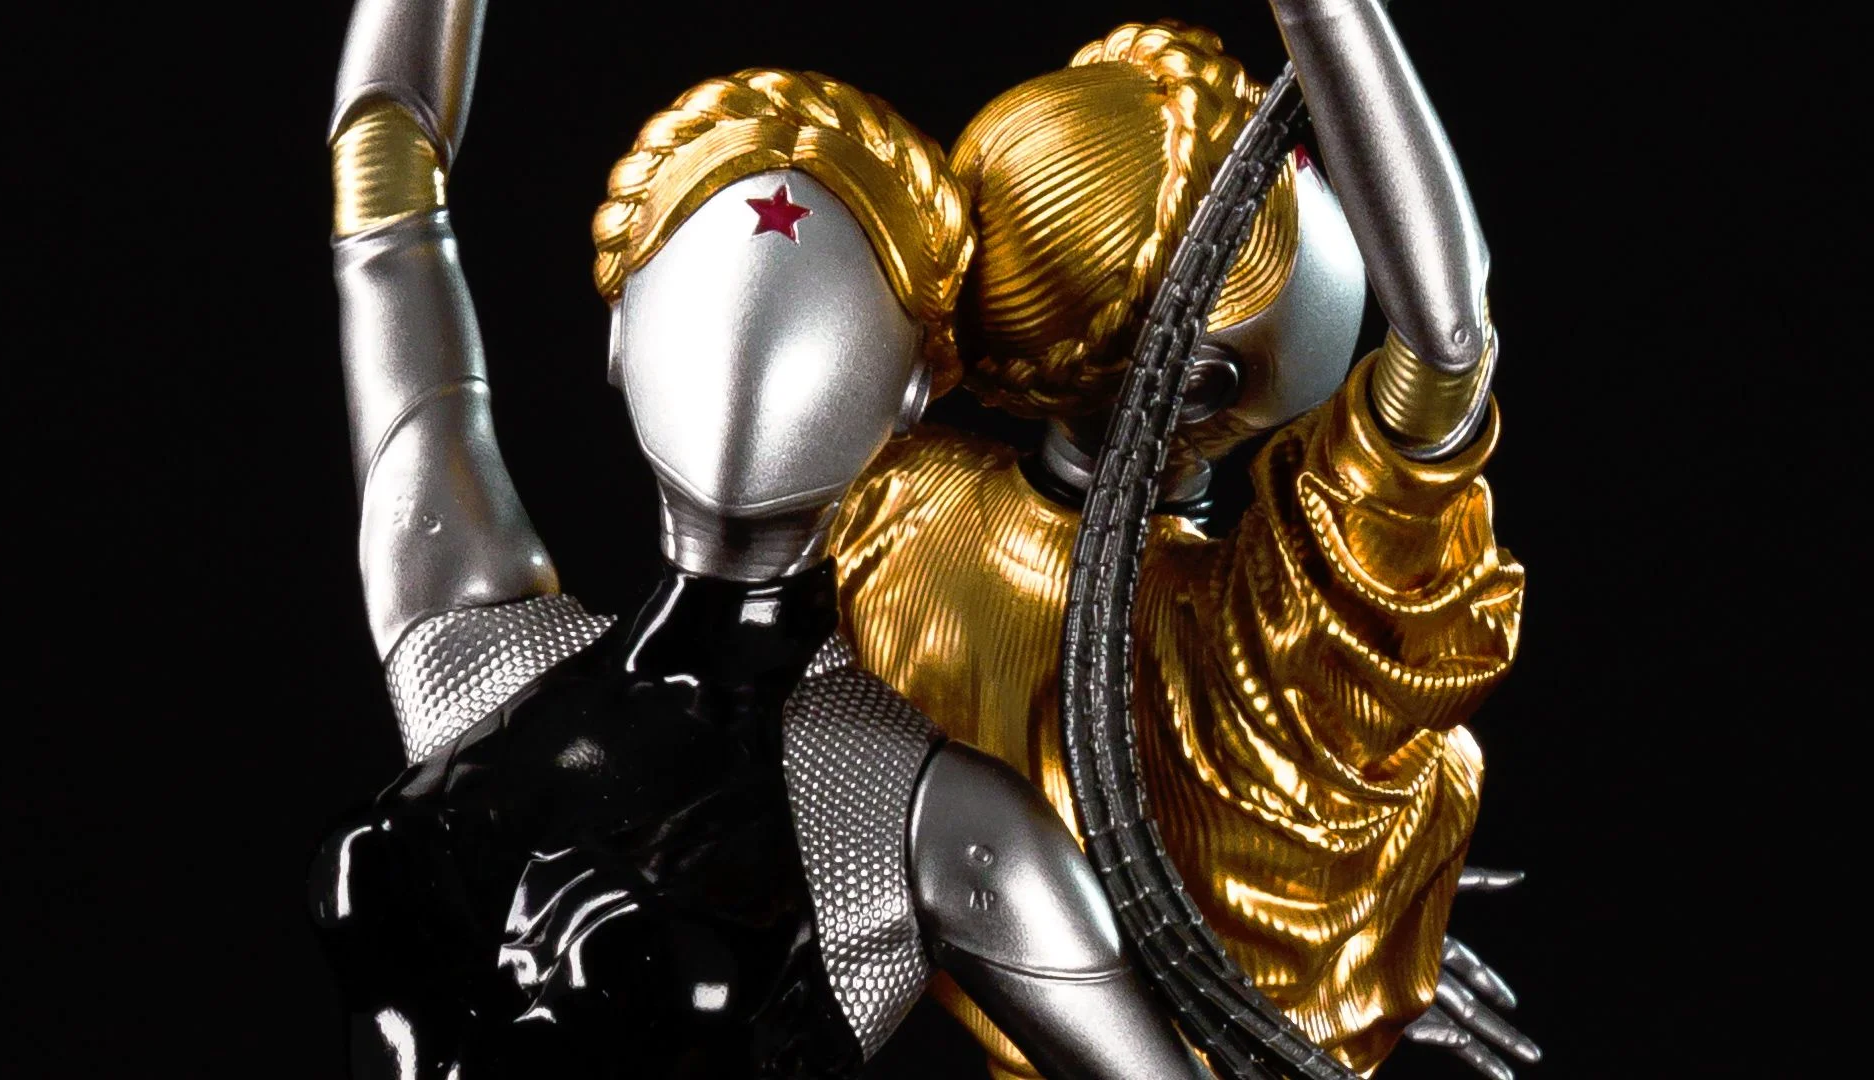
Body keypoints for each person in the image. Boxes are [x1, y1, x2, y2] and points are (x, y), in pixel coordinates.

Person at [307, 3, 1221, 1076]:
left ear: (913, 392)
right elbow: (383, 173)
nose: (751, 350)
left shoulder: (912, 816)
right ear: (619, 327)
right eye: (702, 272)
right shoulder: (477, 659)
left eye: (837, 302)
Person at [829, 10, 1537, 1077]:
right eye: (1289, 185)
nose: (1328, 179)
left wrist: (1373, 913)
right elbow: (1446, 346)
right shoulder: (1264, 639)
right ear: (1199, 382)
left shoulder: (889, 510)